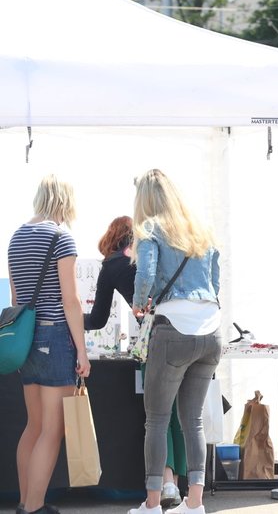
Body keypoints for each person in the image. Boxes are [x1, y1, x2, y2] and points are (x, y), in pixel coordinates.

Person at [129, 169, 222, 514]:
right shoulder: (200, 228)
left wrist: (141, 302)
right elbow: (215, 280)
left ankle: (152, 505)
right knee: (193, 421)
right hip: (211, 329)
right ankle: (194, 504)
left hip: (173, 330)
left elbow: (146, 274)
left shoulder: (150, 228)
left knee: (156, 419)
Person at [85, 215, 184, 509]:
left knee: (158, 413)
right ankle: (180, 488)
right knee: (184, 415)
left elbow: (98, 319)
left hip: (155, 339)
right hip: (189, 330)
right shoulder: (164, 252)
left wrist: (71, 320)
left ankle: (165, 483)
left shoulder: (113, 266)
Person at [8, 175, 90, 514]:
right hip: (55, 336)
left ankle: (25, 501)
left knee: (34, 425)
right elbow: (70, 300)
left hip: (25, 338)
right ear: (65, 201)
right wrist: (82, 350)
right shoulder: (62, 237)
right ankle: (36, 507)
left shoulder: (15, 237)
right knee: (53, 430)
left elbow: (15, 298)